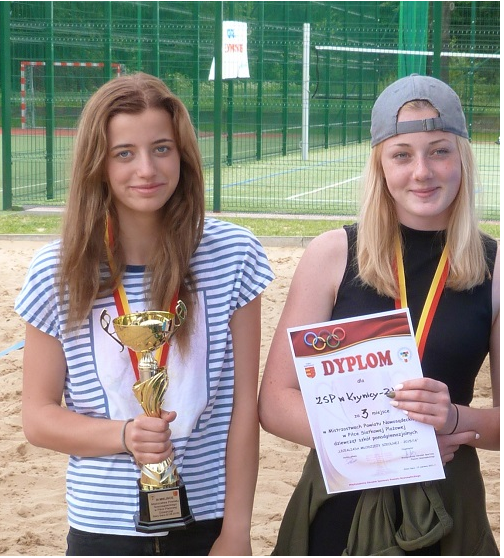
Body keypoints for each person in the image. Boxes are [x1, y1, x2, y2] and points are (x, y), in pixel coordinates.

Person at [15, 72, 274, 556]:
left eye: (161, 148)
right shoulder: (58, 270)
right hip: (103, 528)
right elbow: (38, 417)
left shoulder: (232, 254)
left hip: (208, 523)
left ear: (183, 154)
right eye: (124, 153)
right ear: (98, 164)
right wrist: (125, 435)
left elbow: (243, 410)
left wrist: (237, 531)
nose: (147, 169)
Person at [258, 74, 499, 555]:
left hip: (444, 507)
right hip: (339, 504)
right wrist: (381, 446)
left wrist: (454, 418)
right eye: (402, 155)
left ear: (462, 158)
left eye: (439, 151)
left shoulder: (494, 267)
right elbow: (275, 403)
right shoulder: (332, 254)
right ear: (380, 166)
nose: (422, 172)